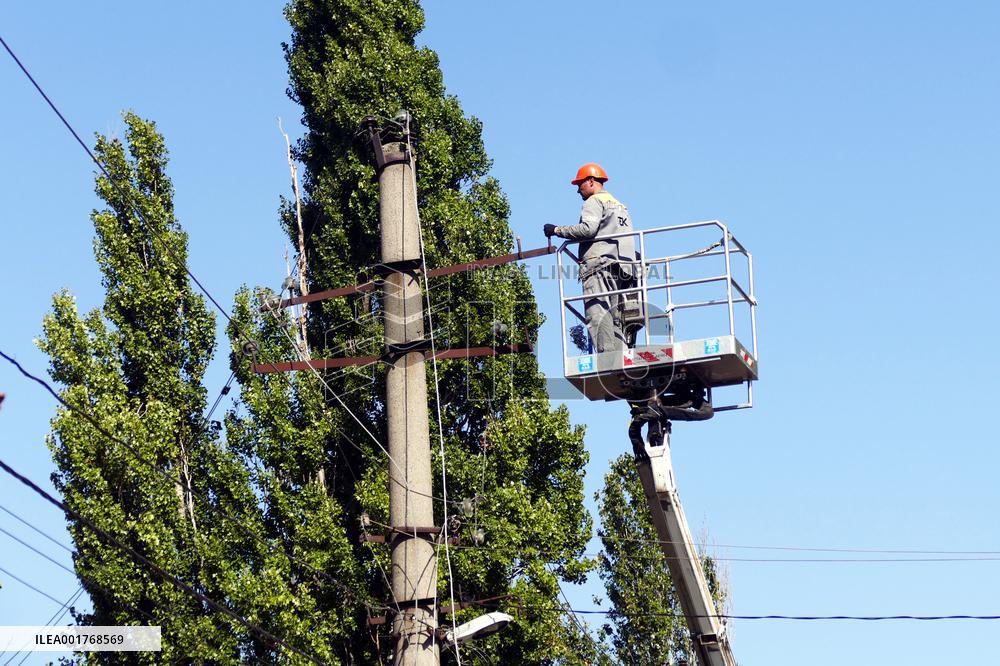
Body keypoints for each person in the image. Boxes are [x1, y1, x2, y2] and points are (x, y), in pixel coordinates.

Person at [544, 163, 637, 354]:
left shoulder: (594, 201)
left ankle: (608, 360)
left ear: (592, 181)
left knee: (598, 314)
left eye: (580, 184)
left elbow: (588, 229)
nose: (578, 190)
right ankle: (621, 357)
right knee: (616, 317)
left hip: (599, 267)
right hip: (621, 269)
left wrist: (556, 230)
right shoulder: (620, 205)